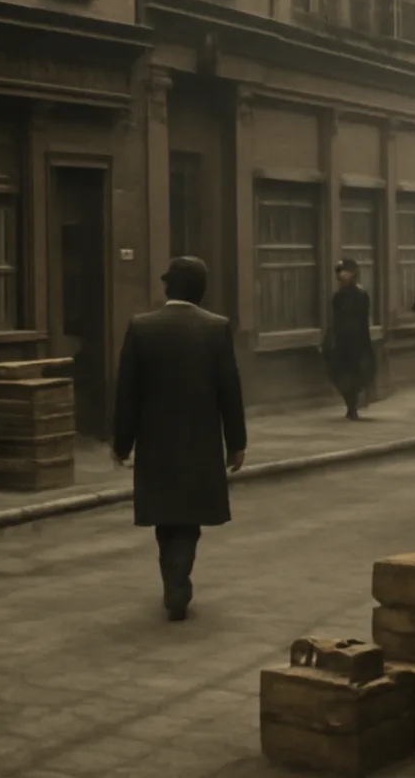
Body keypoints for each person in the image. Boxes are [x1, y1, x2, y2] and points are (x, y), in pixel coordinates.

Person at [111, 256, 247, 622]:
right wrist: (236, 442)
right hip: (200, 442)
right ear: (201, 291)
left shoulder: (141, 328)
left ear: (167, 287)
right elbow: (229, 391)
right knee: (189, 519)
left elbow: (127, 393)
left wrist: (122, 443)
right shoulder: (216, 328)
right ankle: (178, 581)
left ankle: (173, 581)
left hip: (156, 443)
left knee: (165, 517)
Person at [322, 258, 375, 421]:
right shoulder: (338, 296)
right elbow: (336, 318)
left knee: (354, 374)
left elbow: (363, 319)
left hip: (356, 340)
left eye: (346, 273)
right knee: (342, 374)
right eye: (340, 273)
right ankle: (351, 406)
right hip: (342, 340)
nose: (342, 276)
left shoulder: (360, 294)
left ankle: (352, 407)